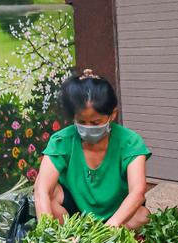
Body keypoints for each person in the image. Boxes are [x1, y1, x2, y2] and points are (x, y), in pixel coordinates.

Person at [34, 70, 151, 229]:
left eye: (95, 122)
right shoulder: (61, 141)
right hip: (74, 216)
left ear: (112, 114)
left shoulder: (130, 142)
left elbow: (138, 192)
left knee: (142, 216)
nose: (88, 128)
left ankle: (95, 235)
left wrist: (109, 228)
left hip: (116, 215)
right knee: (49, 192)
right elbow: (42, 189)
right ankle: (72, 235)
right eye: (81, 121)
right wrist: (45, 232)